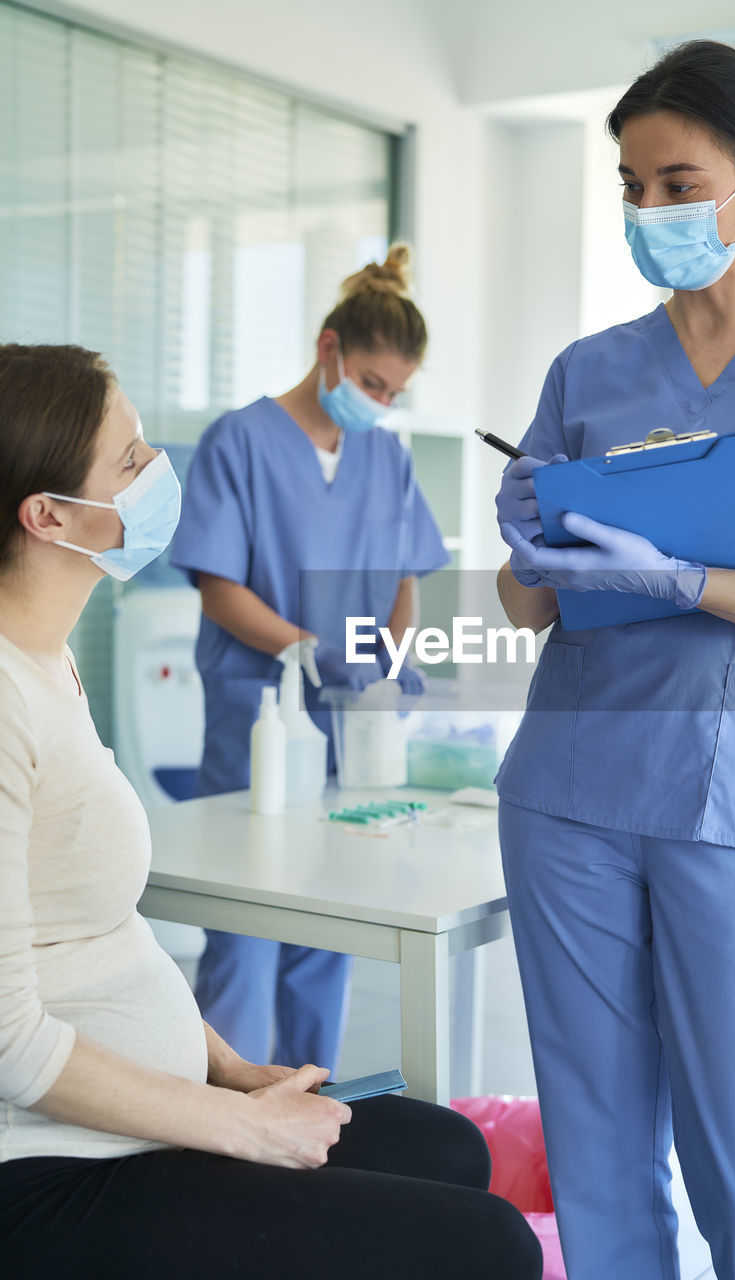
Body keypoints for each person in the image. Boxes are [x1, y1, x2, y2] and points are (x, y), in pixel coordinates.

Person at [0, 341, 542, 1280]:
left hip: (157, 1102)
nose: (159, 475)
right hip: (50, 1165)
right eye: (130, 462)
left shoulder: (53, 660)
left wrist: (231, 1069)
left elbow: (104, 942)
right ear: (49, 515)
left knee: (451, 1149)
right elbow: (10, 1043)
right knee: (486, 1246)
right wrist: (242, 1127)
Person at [494, 40, 735, 1280]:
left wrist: (689, 581)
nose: (651, 211)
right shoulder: (585, 372)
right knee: (594, 1162)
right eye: (632, 187)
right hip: (567, 789)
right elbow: (527, 607)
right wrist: (527, 545)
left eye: (677, 183)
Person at [169, 244, 449, 1074]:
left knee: (330, 929)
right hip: (259, 712)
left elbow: (406, 578)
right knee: (247, 931)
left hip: (350, 730)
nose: (380, 405)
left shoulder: (385, 457)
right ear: (329, 348)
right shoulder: (240, 441)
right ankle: (214, 1121)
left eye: (394, 393)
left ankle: (312, 1113)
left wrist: (387, 660)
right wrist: (310, 651)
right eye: (371, 384)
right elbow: (219, 587)